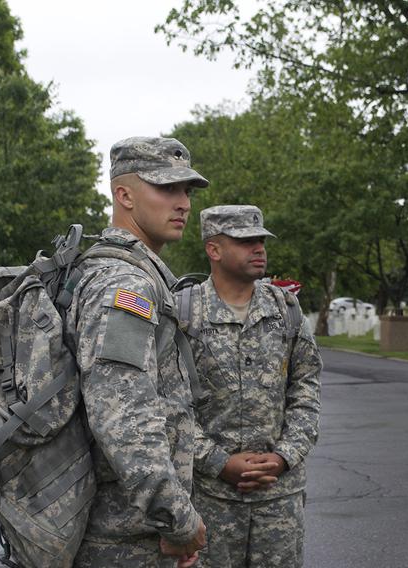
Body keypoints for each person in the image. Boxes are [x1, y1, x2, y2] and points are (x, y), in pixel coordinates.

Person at [67, 136, 208, 567]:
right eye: (167, 188)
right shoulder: (124, 285)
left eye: (186, 191)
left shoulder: (131, 275)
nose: (183, 202)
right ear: (123, 195)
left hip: (131, 532)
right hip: (122, 541)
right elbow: (122, 416)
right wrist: (178, 521)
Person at [180, 205, 322, 567]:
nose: (259, 248)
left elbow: (306, 388)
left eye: (260, 240)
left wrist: (283, 456)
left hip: (279, 498)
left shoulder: (286, 308)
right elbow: (169, 404)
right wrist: (218, 462)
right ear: (214, 250)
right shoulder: (184, 313)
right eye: (245, 241)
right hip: (211, 498)